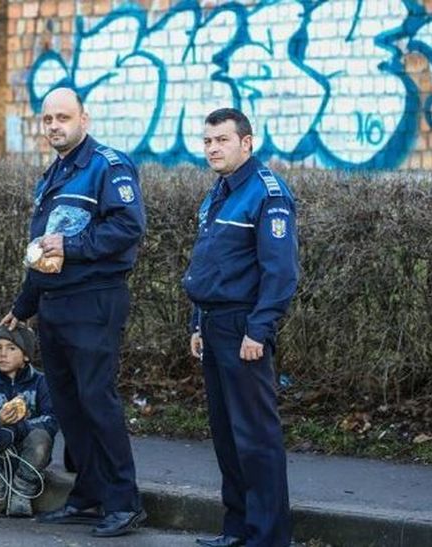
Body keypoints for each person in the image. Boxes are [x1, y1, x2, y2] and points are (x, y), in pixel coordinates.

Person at [0, 87, 147, 538]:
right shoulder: (54, 173)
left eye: (63, 117)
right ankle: (88, 496)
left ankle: (124, 503)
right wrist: (22, 308)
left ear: (84, 118)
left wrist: (74, 246)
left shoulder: (107, 165)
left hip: (94, 300)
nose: (54, 126)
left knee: (97, 401)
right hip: (54, 306)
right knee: (69, 405)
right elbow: (41, 252)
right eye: (47, 119)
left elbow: (128, 227)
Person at [183, 108, 299, 547]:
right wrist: (197, 321)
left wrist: (259, 330)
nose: (212, 148)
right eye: (208, 141)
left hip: (243, 328)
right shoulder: (219, 193)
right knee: (227, 436)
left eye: (222, 140)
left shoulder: (266, 194)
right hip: (213, 324)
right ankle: (237, 530)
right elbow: (212, 265)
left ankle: (267, 537)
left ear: (246, 143)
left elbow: (281, 272)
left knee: (255, 438)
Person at [0, 324, 59, 517]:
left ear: (26, 355)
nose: (3, 354)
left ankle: (21, 493)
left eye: (11, 348)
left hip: (28, 455)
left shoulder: (41, 383)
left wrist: (18, 429)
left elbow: (51, 420)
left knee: (41, 437)